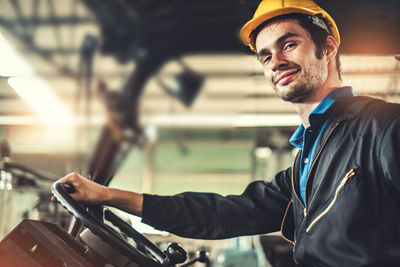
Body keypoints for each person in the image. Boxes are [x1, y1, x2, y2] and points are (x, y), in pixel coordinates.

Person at [53, 0, 400, 266]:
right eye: (265, 56)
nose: (275, 61)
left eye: (289, 44)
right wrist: (108, 196)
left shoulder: (382, 127)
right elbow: (224, 213)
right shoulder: (306, 163)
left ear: (327, 49)